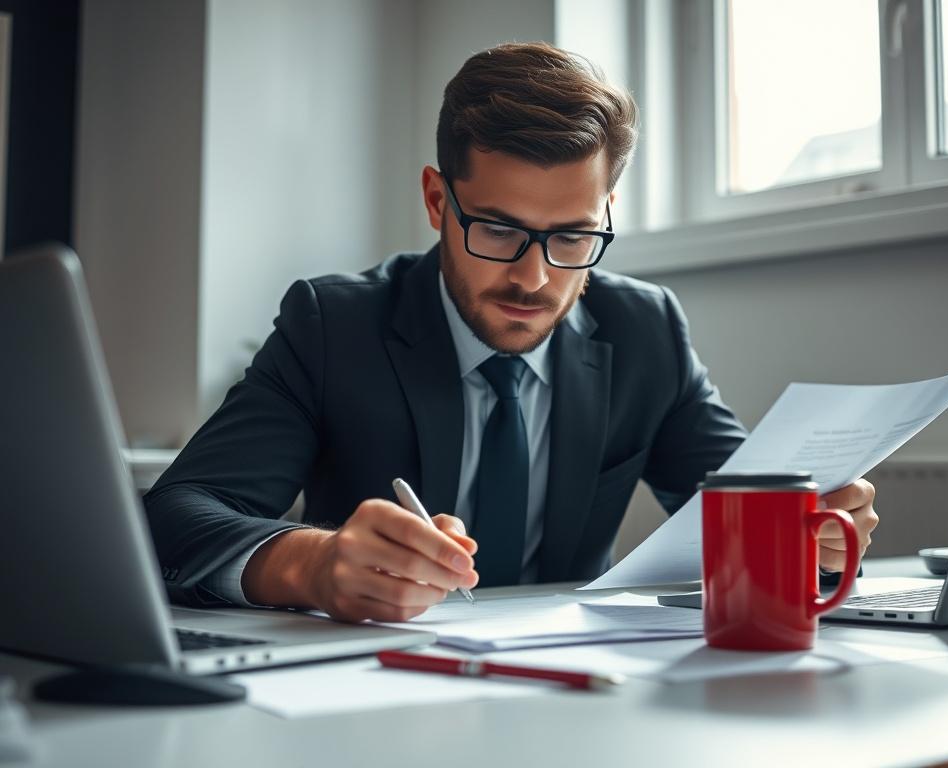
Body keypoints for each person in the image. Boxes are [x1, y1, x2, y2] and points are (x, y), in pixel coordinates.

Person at [144, 42, 878, 623]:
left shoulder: (645, 329)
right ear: (438, 200)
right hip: (374, 686)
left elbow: (747, 512)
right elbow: (174, 518)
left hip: (573, 690)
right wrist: (313, 564)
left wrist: (812, 538)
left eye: (572, 237)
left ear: (605, 212)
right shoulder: (334, 324)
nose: (534, 277)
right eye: (497, 229)